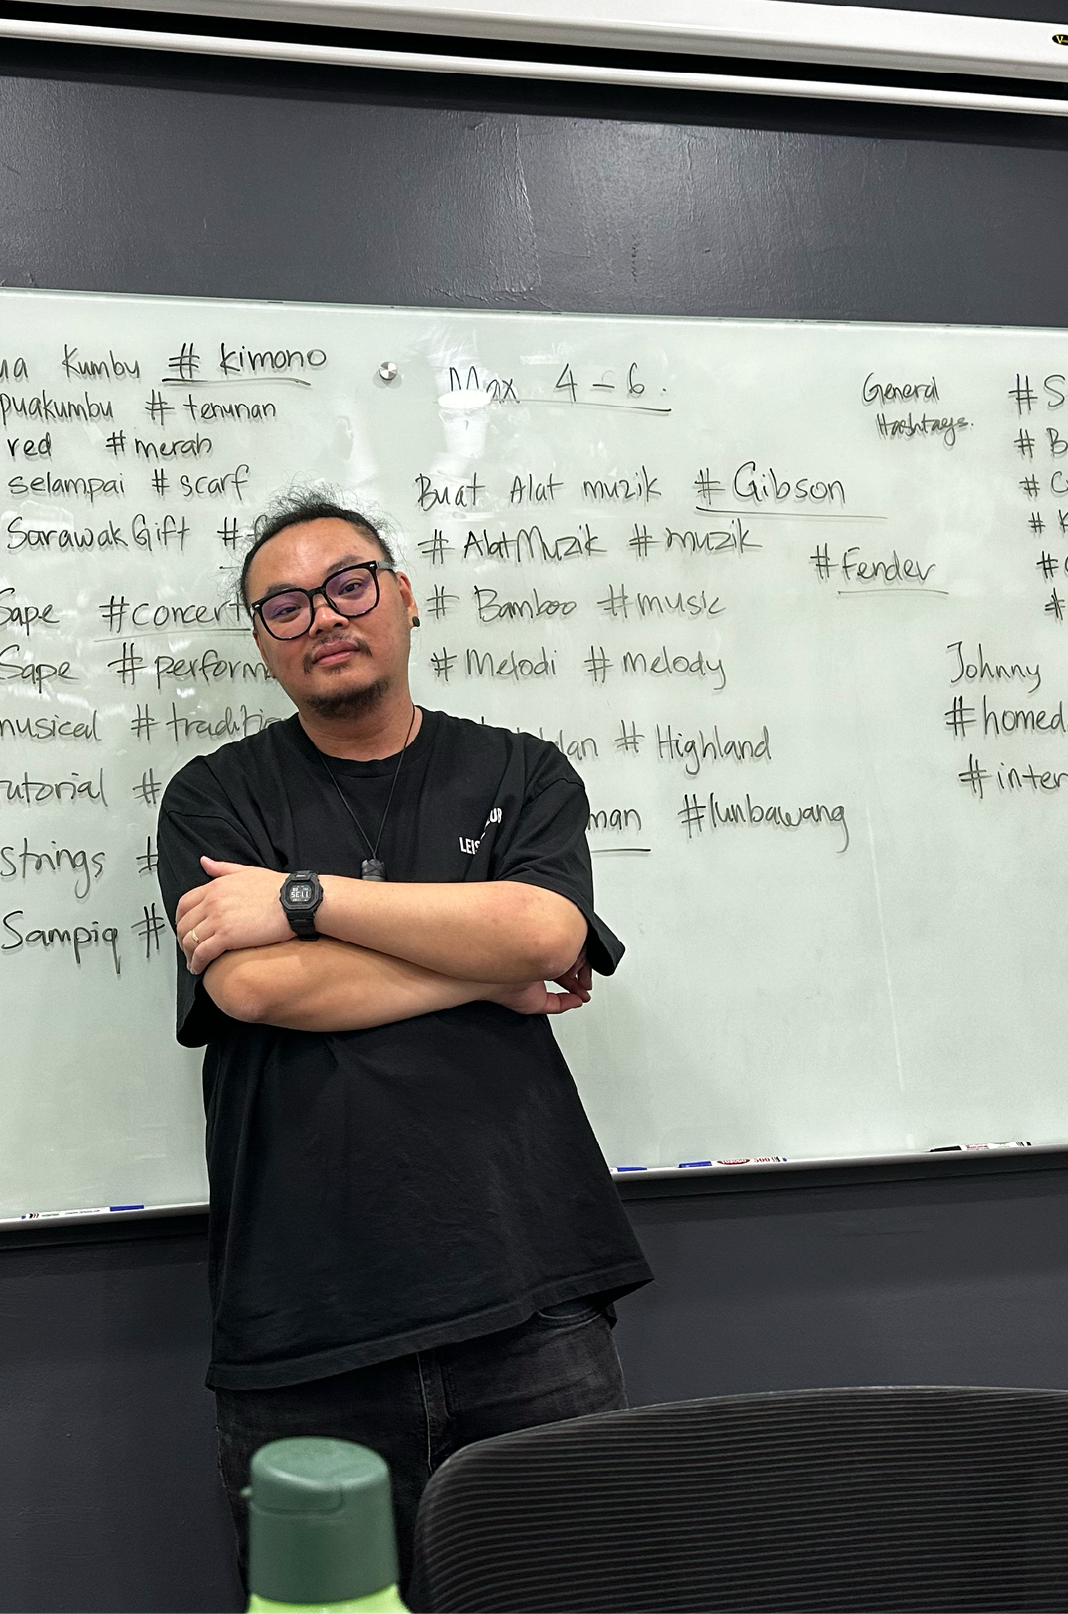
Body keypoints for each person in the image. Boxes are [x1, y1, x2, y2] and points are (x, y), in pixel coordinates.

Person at [158, 491, 652, 1579]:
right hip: (303, 1320)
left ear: (403, 597)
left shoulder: (520, 771)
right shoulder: (212, 796)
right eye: (282, 607)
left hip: (530, 1299)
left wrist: (297, 897)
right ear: (261, 644)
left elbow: (540, 928)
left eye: (348, 584)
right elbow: (257, 993)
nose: (322, 618)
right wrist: (480, 973)